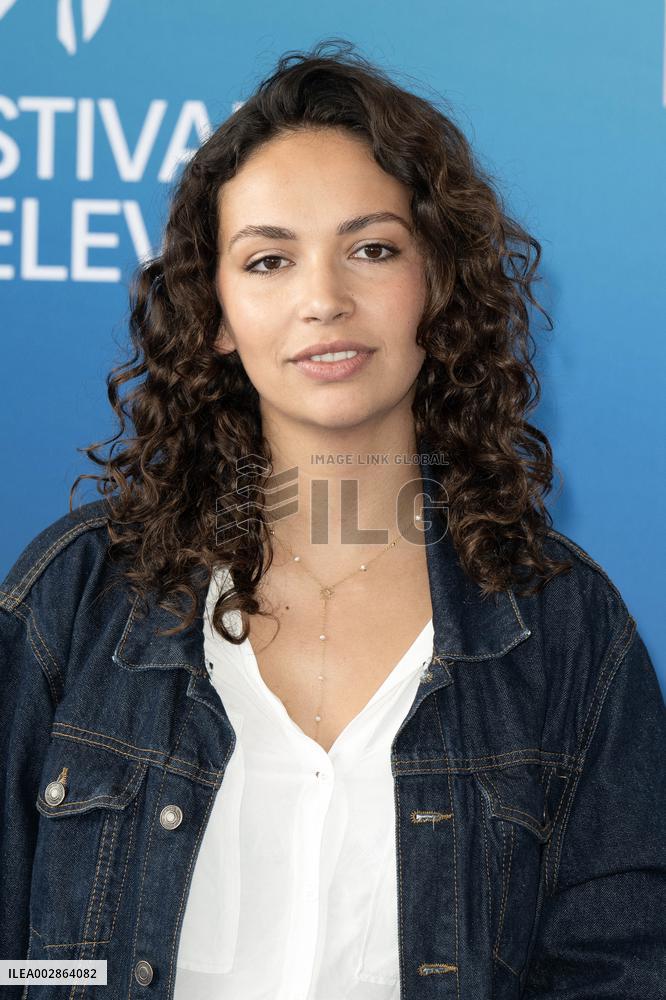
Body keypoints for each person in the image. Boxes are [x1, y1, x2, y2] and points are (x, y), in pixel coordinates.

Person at [1, 38, 664, 1000]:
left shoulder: (565, 629)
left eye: (372, 249)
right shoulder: (73, 600)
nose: (323, 300)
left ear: (434, 283)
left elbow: (626, 970)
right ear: (217, 313)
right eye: (269, 259)